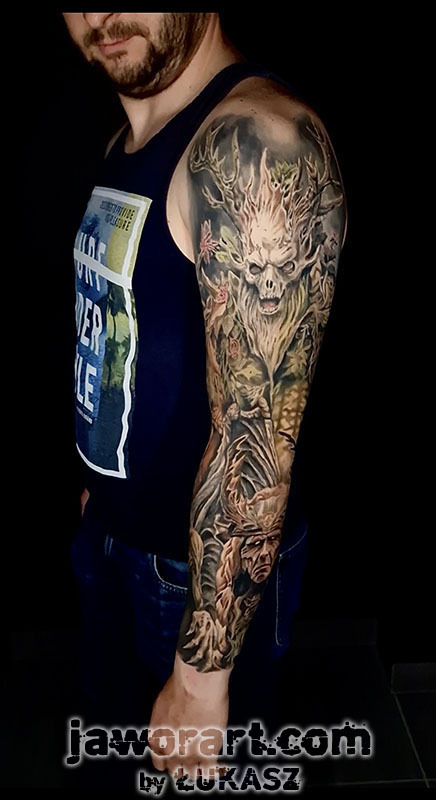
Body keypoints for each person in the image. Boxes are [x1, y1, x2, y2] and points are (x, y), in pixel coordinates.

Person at [62, 11, 347, 785]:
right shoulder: (126, 143)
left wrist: (201, 675)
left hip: (195, 585)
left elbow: (259, 441)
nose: (100, 14)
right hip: (113, 538)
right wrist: (102, 488)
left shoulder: (255, 145)